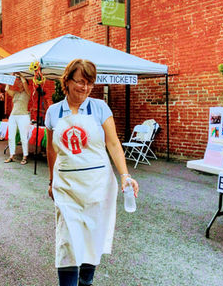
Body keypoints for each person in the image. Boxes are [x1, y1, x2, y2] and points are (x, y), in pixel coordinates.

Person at [45, 59, 139, 286]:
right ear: (66, 81)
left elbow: (113, 144)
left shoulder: (99, 108)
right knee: (67, 241)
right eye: (80, 82)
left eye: (90, 83)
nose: (85, 88)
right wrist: (51, 181)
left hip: (98, 186)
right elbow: (51, 149)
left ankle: (86, 282)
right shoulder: (53, 112)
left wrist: (125, 175)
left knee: (92, 237)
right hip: (67, 187)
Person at [4, 74, 31, 165]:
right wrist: (10, 78)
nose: (20, 83)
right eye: (19, 82)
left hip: (23, 116)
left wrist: (21, 75)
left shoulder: (28, 93)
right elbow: (6, 89)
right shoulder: (15, 93)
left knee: (23, 137)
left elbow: (25, 85)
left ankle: (25, 156)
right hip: (13, 116)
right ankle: (11, 155)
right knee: (11, 136)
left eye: (21, 82)